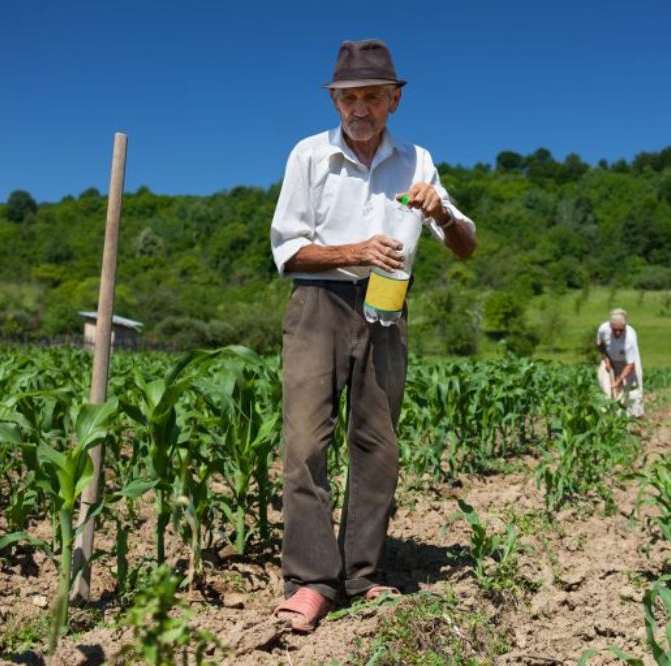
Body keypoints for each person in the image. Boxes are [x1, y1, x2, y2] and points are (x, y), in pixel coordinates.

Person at [268, 39, 476, 633]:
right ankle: (311, 582)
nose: (358, 108)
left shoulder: (418, 161)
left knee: (378, 448)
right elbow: (287, 251)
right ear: (335, 101)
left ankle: (362, 575)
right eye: (348, 97)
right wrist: (354, 251)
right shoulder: (309, 156)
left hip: (389, 306)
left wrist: (439, 213)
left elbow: (465, 246)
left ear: (394, 101)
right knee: (307, 442)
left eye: (371, 97)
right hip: (318, 304)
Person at [596, 308, 644, 417]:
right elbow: (599, 345)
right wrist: (605, 358)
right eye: (615, 329)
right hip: (609, 359)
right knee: (606, 389)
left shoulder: (630, 337)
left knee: (631, 393)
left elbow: (630, 365)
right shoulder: (603, 329)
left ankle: (635, 419)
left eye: (621, 330)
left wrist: (619, 381)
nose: (618, 333)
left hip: (628, 363)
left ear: (625, 327)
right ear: (610, 326)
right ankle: (608, 418)